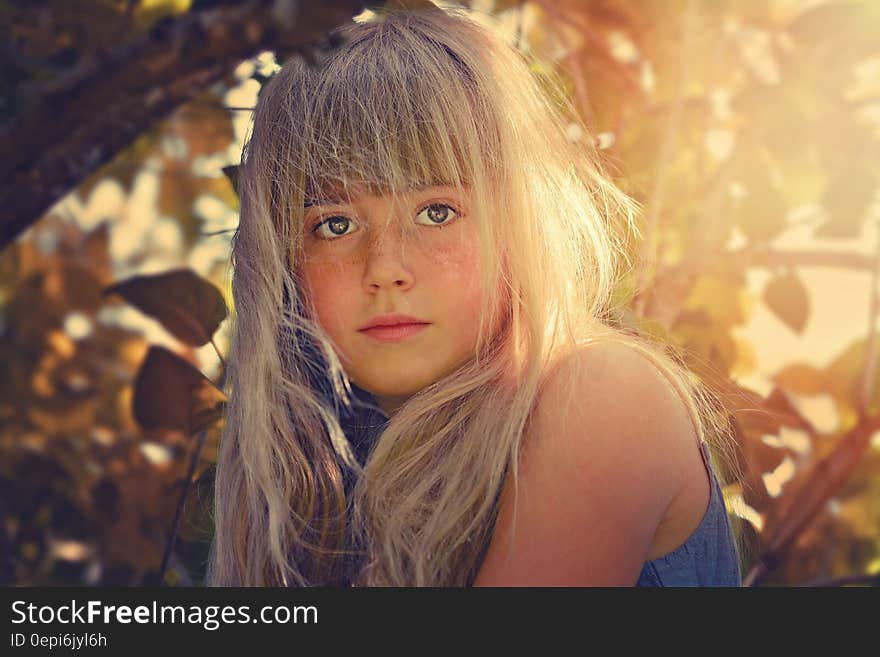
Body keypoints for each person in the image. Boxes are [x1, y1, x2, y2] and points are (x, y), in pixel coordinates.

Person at [206, 1, 745, 587]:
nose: (386, 269)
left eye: (438, 212)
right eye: (335, 224)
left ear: (518, 225)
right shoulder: (311, 482)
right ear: (284, 262)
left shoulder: (602, 392)